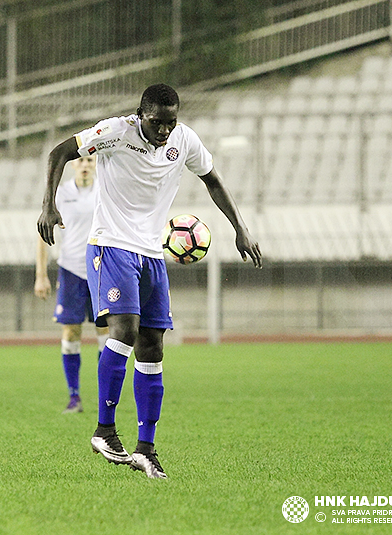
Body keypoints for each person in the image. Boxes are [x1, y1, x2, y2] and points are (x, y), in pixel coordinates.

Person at [37, 83, 262, 479]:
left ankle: (146, 448)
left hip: (152, 253)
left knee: (153, 346)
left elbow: (211, 178)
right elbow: (60, 152)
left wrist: (240, 227)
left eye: (170, 122)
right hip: (110, 244)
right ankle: (104, 429)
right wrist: (48, 205)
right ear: (141, 115)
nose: (164, 131)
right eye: (158, 122)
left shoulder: (184, 140)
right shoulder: (115, 132)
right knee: (124, 329)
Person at [35, 155, 109, 414]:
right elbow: (45, 233)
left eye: (90, 160)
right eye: (81, 161)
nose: (85, 164)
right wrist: (41, 274)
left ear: (95, 162)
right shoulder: (61, 194)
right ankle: (74, 396)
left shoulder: (106, 188)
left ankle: (105, 395)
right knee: (70, 333)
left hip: (102, 269)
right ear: (73, 165)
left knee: (106, 334)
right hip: (71, 270)